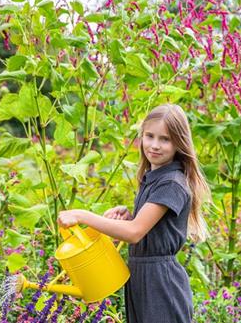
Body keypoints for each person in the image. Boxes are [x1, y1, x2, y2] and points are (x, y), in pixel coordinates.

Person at [57, 103, 211, 323]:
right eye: (149, 136)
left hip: (161, 284)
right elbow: (142, 228)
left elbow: (135, 233)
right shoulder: (153, 177)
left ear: (179, 142)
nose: (155, 145)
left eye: (165, 139)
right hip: (142, 278)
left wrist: (83, 216)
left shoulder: (172, 183)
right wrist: (131, 218)